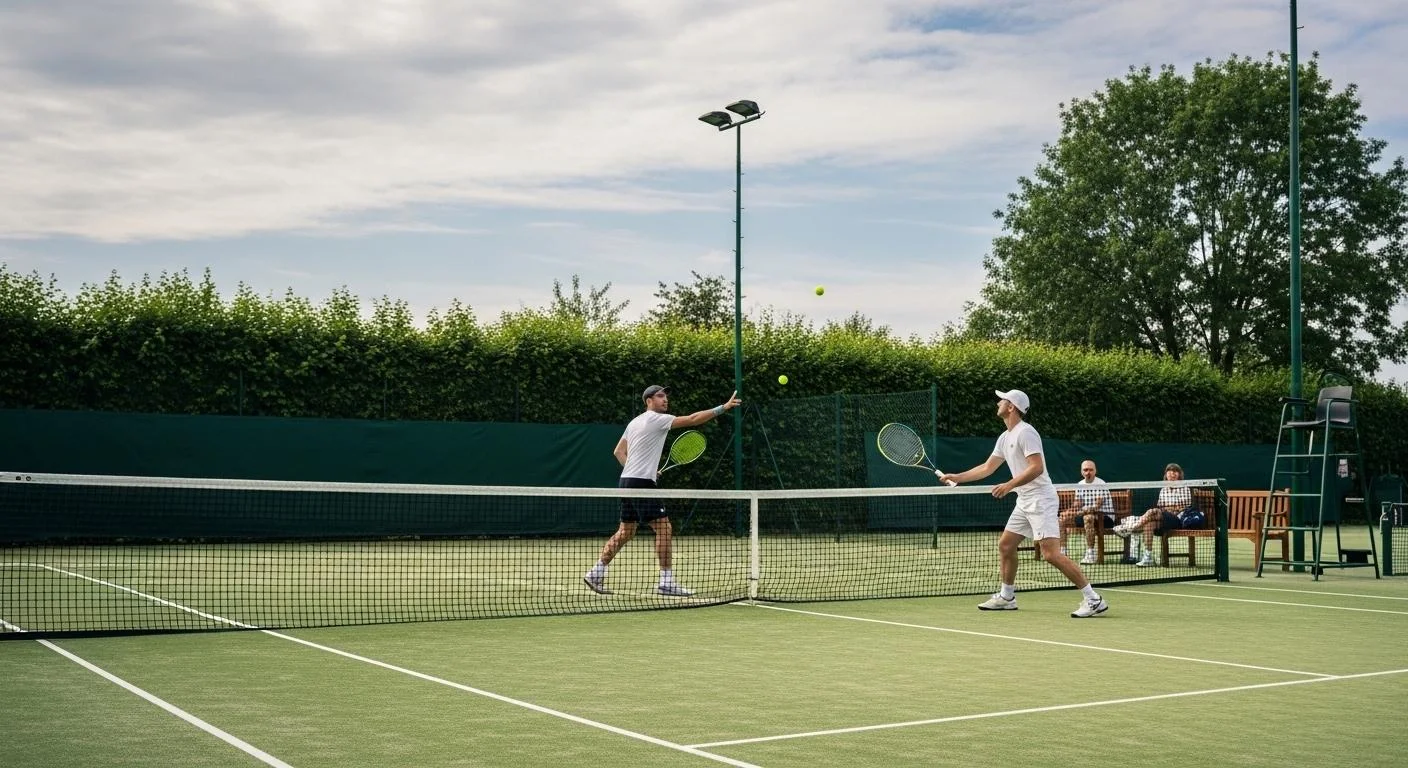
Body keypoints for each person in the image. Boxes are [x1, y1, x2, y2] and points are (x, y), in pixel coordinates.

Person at [938, 390, 1108, 618]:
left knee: (1051, 554)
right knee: (1006, 545)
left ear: (1011, 407)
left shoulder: (1026, 433)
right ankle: (1007, 597)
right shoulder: (1004, 437)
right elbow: (987, 467)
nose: (998, 402)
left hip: (1040, 499)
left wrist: (1009, 485)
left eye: (1003, 399)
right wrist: (957, 477)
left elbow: (1036, 467)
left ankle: (1093, 599)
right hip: (1024, 499)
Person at [583, 385, 742, 596]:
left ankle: (595, 573)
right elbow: (693, 419)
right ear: (648, 400)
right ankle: (666, 582)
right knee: (664, 529)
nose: (665, 399)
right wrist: (723, 408)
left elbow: (619, 452)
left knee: (626, 532)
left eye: (666, 395)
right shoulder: (657, 420)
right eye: (660, 396)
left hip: (627, 481)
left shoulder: (634, 422)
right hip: (641, 484)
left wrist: (640, 469)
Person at [1116, 462, 1195, 567]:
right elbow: (1162, 507)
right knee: (1149, 525)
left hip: (1177, 520)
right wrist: (1169, 508)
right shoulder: (1163, 489)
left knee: (1153, 511)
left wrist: (1168, 509)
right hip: (1163, 518)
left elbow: (1182, 507)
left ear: (1180, 474)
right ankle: (1148, 557)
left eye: (1176, 471)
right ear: (1166, 474)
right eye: (1170, 471)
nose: (1173, 474)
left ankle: (1131, 528)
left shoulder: (1185, 488)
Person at [1058, 459, 1116, 565]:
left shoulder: (1101, 483)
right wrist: (1069, 512)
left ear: (1095, 471)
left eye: (1090, 470)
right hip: (1086, 515)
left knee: (1088, 517)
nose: (1088, 472)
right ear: (1081, 472)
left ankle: (1090, 553)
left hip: (1105, 518)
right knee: (1062, 519)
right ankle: (1063, 552)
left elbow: (1097, 506)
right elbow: (1078, 504)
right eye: (1085, 470)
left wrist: (1078, 513)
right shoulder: (1080, 484)